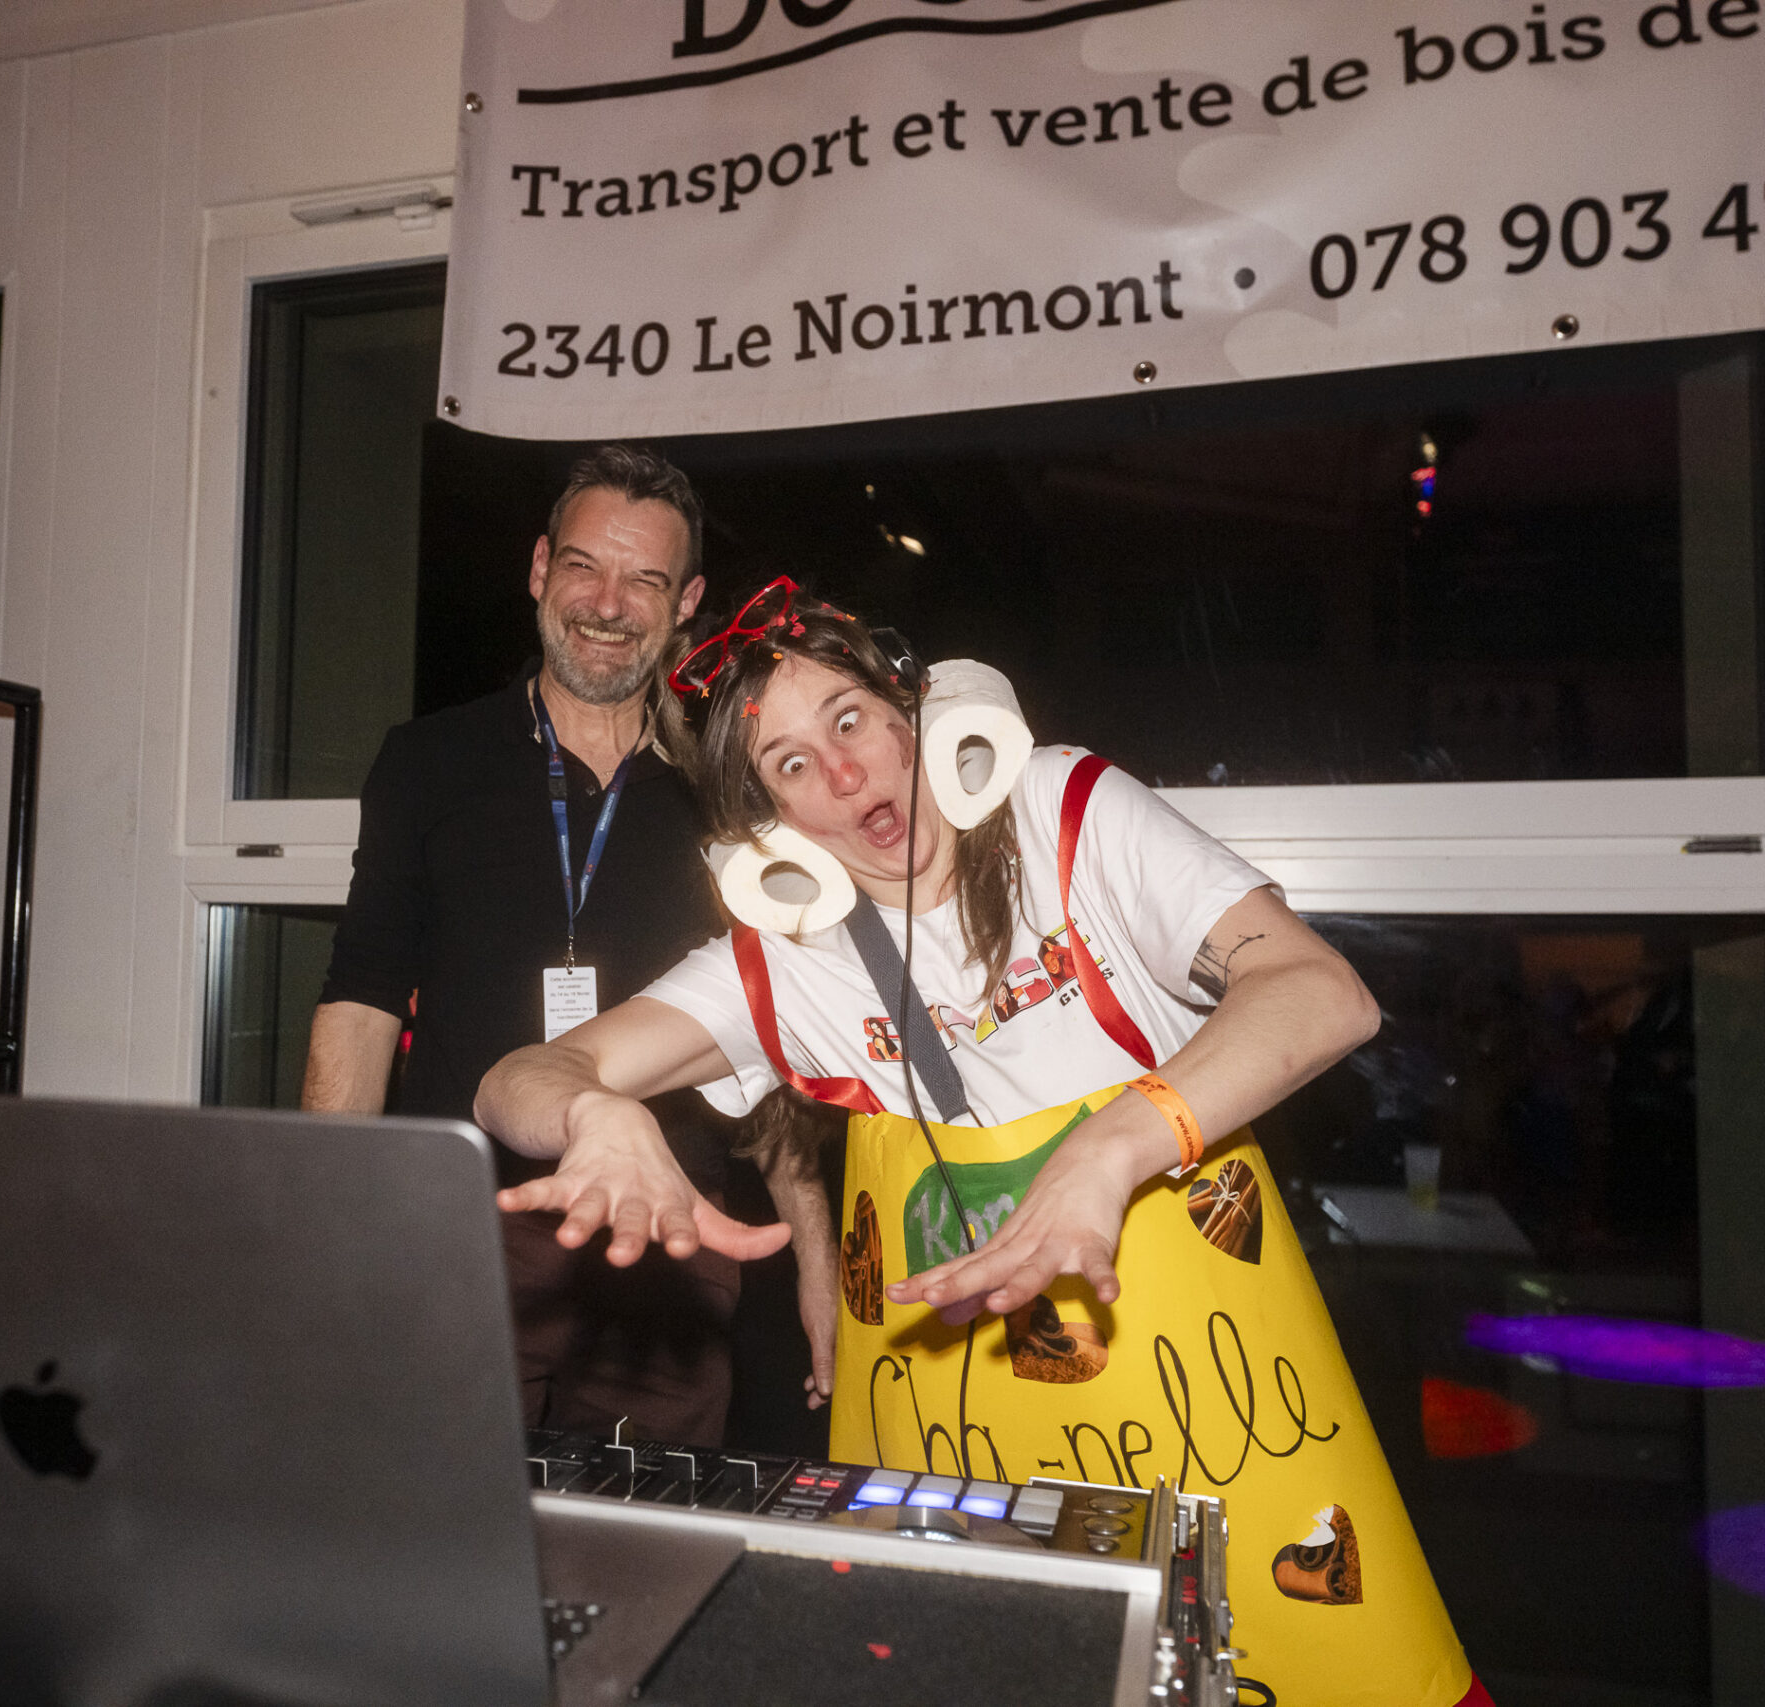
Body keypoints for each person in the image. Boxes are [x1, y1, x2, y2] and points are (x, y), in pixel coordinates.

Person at [474, 584, 1488, 1707]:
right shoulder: (784, 958)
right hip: (949, 1451)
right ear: (770, 829)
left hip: (1221, 1423)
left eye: (850, 719)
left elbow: (1321, 990)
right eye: (792, 764)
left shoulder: (1065, 812)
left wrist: (1109, 1149)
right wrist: (597, 1114)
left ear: (919, 707)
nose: (844, 774)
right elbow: (517, 1081)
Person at [302, 444, 780, 1449]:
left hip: (668, 1237)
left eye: (644, 578)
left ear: (687, 602)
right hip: (459, 1228)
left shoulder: (728, 787)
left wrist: (815, 1254)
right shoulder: (429, 761)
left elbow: (775, 1020)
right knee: (435, 1516)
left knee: (640, 1534)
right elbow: (362, 994)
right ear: (537, 569)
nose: (607, 604)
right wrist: (329, 1218)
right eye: (582, 566)